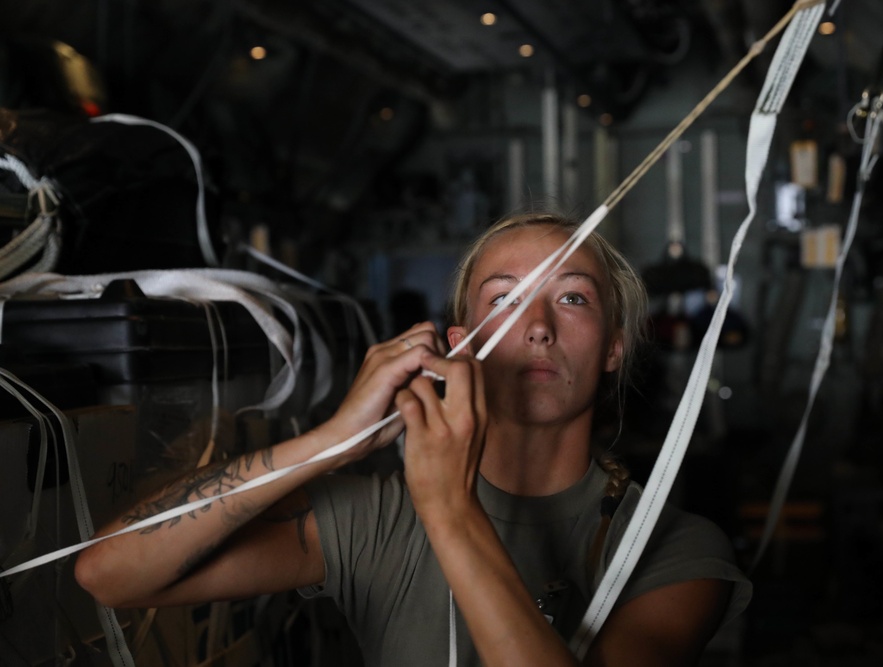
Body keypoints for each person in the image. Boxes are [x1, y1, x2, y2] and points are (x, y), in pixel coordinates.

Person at [75, 212, 751, 666]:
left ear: (612, 348)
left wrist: (450, 509)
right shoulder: (381, 516)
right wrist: (334, 439)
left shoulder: (675, 550)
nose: (538, 325)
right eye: (506, 300)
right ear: (463, 344)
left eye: (572, 298)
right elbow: (108, 572)